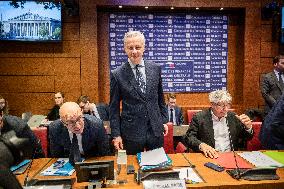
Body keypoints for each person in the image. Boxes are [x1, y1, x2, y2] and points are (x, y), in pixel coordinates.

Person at [109, 30, 168, 155]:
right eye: (130, 48)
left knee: (157, 166)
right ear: (125, 49)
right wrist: (116, 135)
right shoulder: (117, 74)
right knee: (133, 168)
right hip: (131, 132)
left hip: (155, 129)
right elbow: (113, 108)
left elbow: (160, 98)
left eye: (138, 47)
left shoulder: (155, 69)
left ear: (144, 48)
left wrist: (163, 121)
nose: (134, 51)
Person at [182, 90, 253, 159]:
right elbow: (189, 138)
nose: (225, 109)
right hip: (209, 157)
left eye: (227, 105)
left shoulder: (233, 117)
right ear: (212, 104)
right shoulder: (199, 117)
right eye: (221, 105)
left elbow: (246, 138)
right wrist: (201, 145)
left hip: (231, 157)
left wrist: (248, 128)